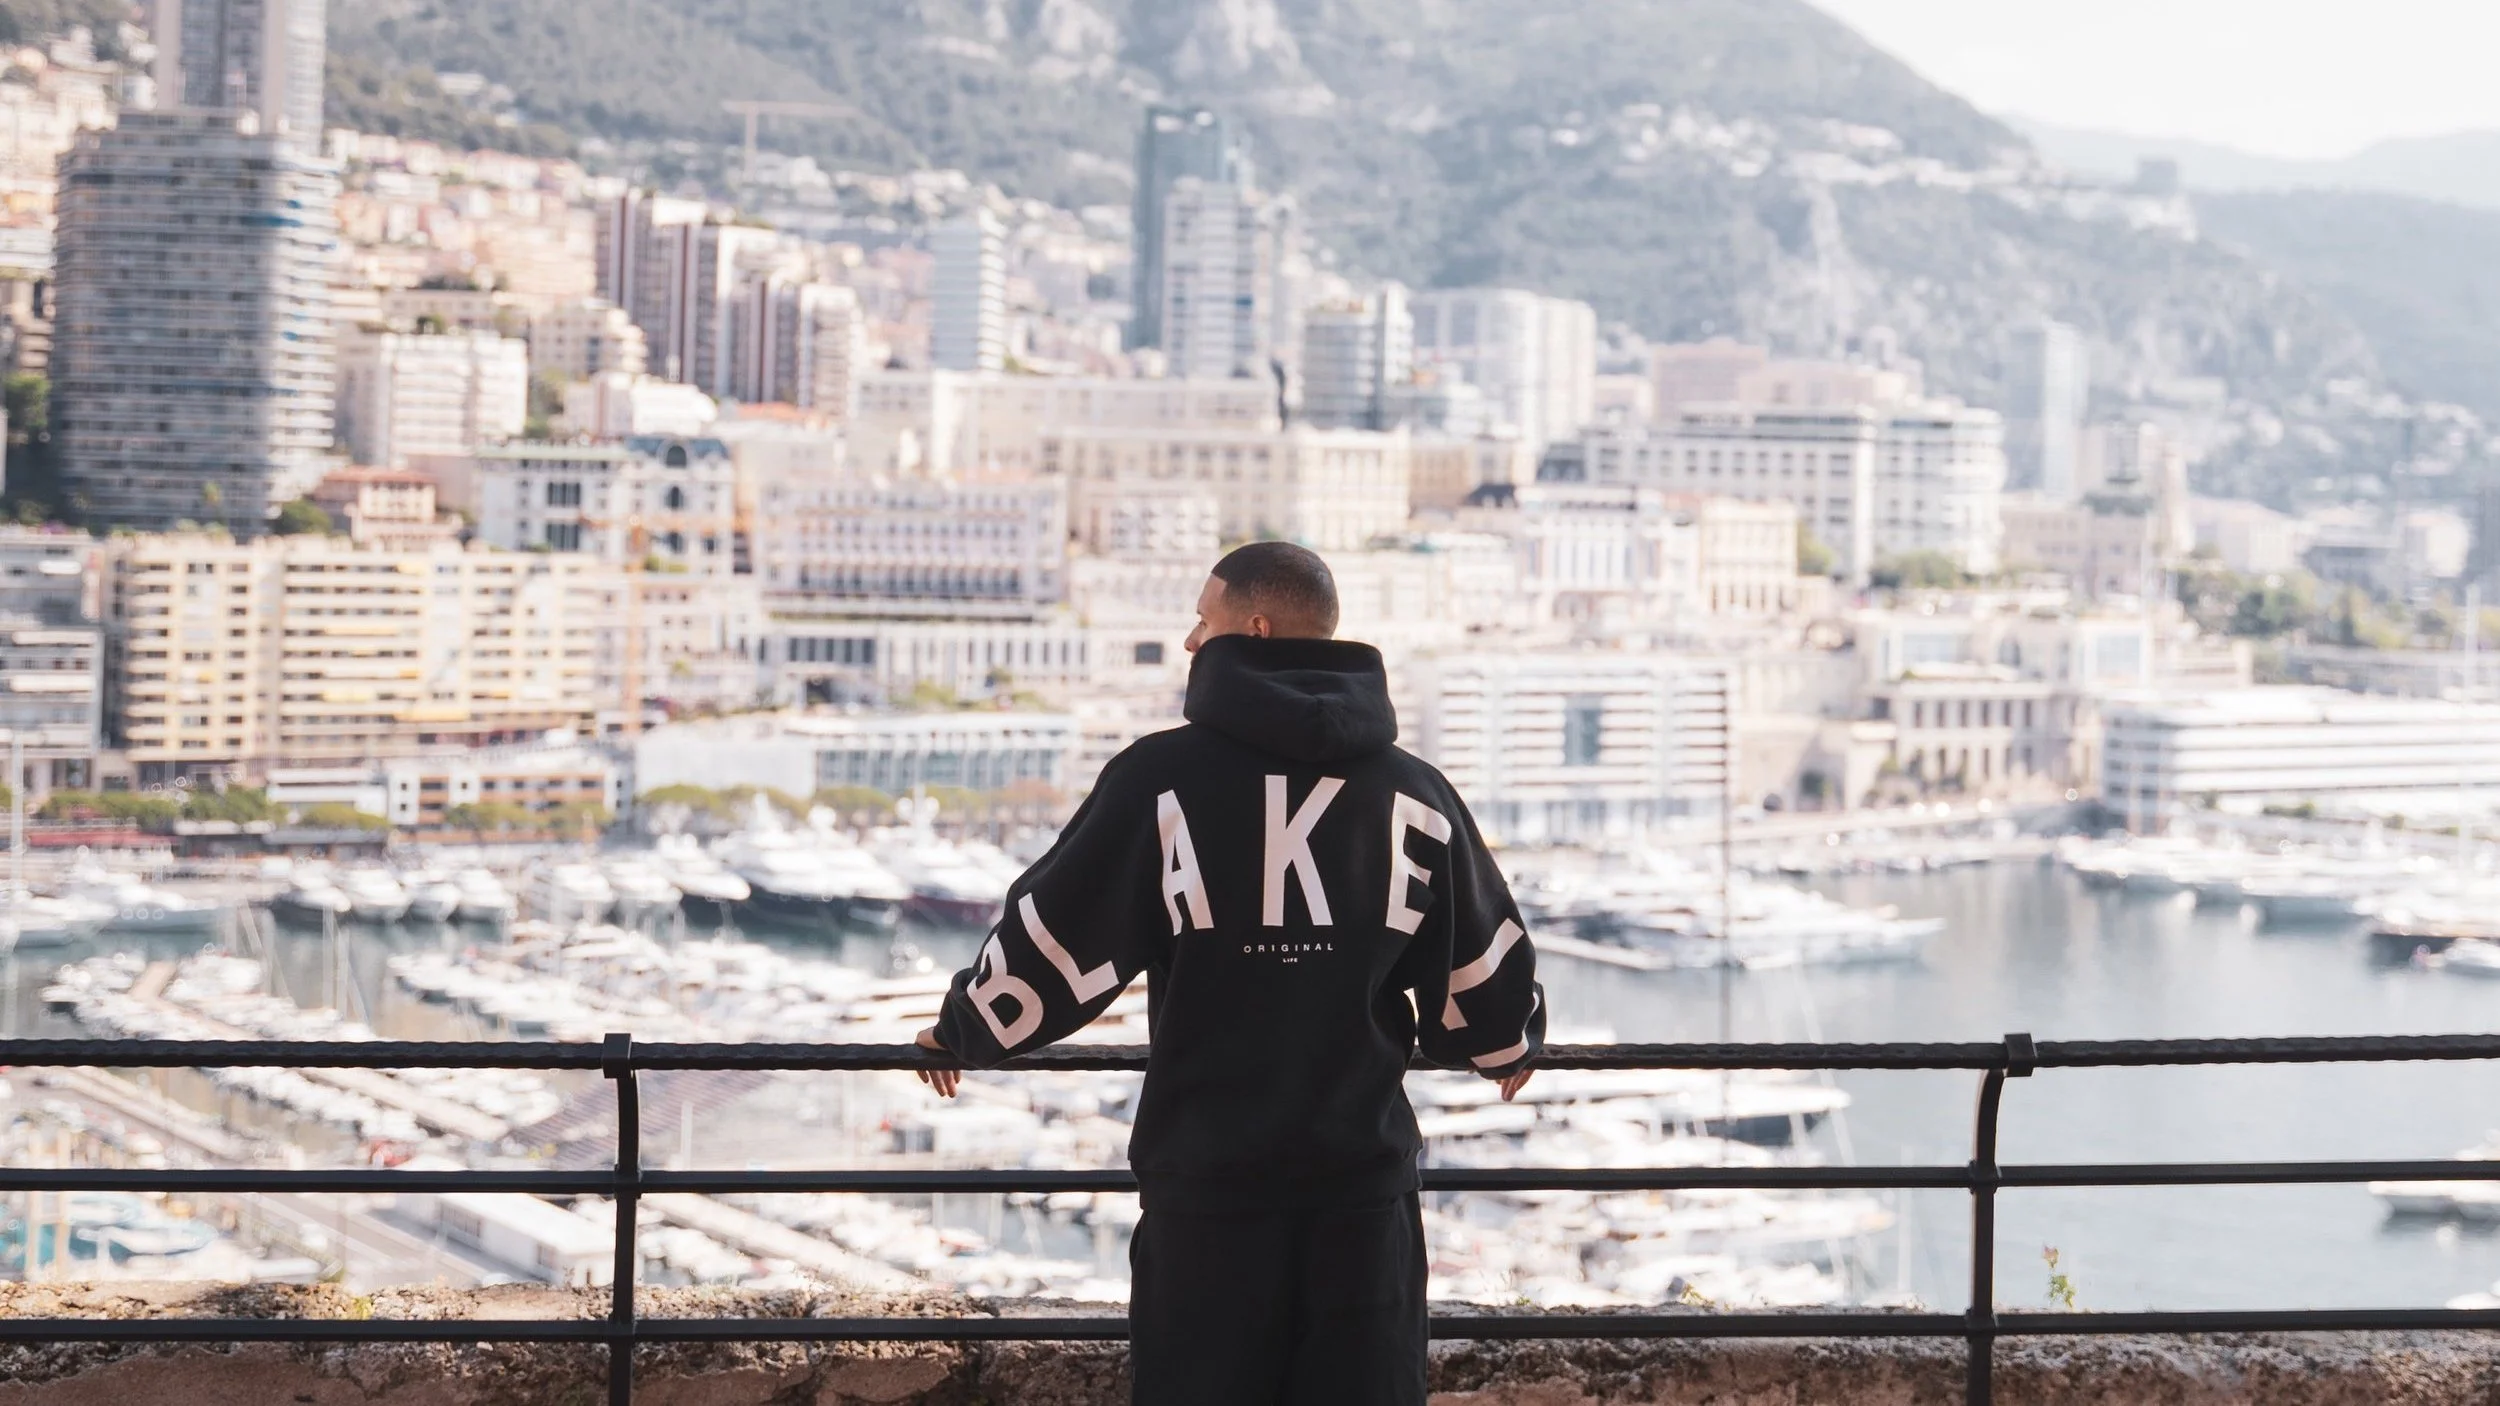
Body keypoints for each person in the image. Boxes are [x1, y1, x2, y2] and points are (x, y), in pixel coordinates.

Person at [915, 540, 1544, 1406]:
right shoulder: (1414, 793)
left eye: (1201, 622)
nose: (1188, 641)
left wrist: (963, 1031)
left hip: (1207, 1193)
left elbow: (1056, 940)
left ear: (1253, 629)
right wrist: (1507, 1043)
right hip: (1360, 1195)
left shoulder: (1158, 781)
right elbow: (1482, 964)